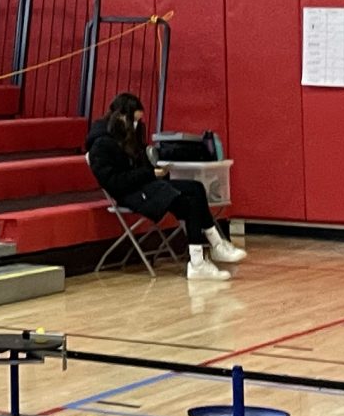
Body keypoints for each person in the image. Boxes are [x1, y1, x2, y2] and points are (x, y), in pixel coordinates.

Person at [87, 91, 238, 281]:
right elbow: (115, 183)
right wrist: (149, 173)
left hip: (146, 185)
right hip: (130, 194)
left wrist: (154, 170)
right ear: (122, 116)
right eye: (134, 120)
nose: (137, 125)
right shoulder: (100, 145)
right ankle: (199, 261)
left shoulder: (130, 136)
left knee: (196, 187)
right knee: (189, 202)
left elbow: (142, 166)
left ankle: (215, 246)